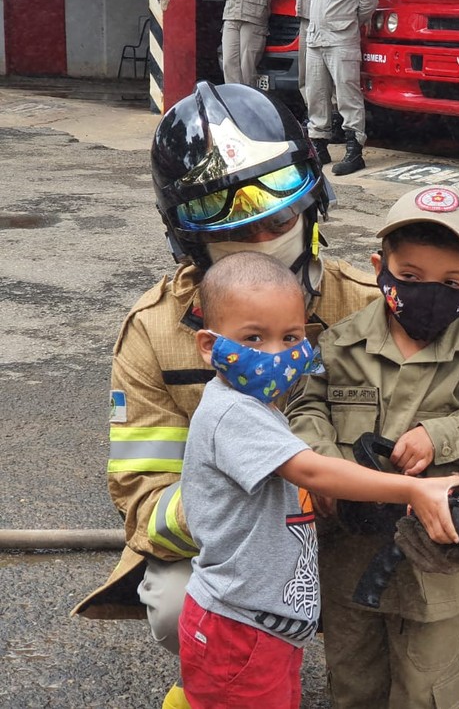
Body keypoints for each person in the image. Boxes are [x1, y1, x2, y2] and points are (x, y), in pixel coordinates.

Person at [70, 81, 383, 709]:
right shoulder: (156, 333)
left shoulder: (368, 309)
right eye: (228, 212)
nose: (262, 229)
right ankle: (216, 671)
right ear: (186, 236)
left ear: (314, 199)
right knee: (170, 603)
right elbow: (142, 498)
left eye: (279, 207)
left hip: (353, 532)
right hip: (232, 548)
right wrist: (245, 500)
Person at [287, 184, 459, 709]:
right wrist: (328, 468)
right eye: (410, 277)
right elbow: (304, 407)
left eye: (452, 281)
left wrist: (440, 435)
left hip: (436, 571)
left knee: (426, 690)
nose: (430, 291)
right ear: (379, 266)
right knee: (353, 680)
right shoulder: (340, 345)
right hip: (349, 554)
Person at [178, 250, 459, 708]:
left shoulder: (256, 405)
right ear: (210, 345)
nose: (275, 353)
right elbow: (310, 469)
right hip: (240, 630)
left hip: (264, 627)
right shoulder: (232, 412)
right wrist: (412, 487)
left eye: (289, 336)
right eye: (253, 338)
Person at [305, 0, 378, 175]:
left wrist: (349, 23)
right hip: (315, 39)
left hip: (341, 40)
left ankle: (354, 152)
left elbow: (369, 1)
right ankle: (319, 145)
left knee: (348, 95)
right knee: (316, 95)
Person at [297, 0, 345, 145]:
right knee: (308, 75)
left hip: (329, 17)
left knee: (332, 75)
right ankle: (314, 117)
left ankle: (335, 117)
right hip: (306, 14)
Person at [220, 0, 277, 87]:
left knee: (246, 70)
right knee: (228, 63)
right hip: (231, 12)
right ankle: (234, 102)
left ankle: (247, 102)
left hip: (253, 14)